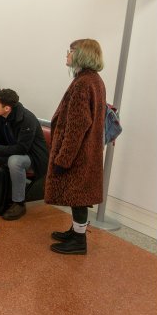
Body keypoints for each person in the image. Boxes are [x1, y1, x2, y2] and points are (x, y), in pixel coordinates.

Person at [44, 39, 106, 255]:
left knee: (78, 196)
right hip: (87, 151)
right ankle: (75, 231)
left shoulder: (83, 83)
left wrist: (63, 158)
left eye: (70, 51)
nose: (67, 55)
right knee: (77, 195)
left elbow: (76, 127)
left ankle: (79, 240)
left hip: (77, 153)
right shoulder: (93, 80)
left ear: (82, 55)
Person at [0, 89, 48, 221]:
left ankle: (19, 203)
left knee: (15, 161)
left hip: (33, 158)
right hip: (12, 150)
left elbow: (22, 148)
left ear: (7, 108)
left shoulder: (27, 119)